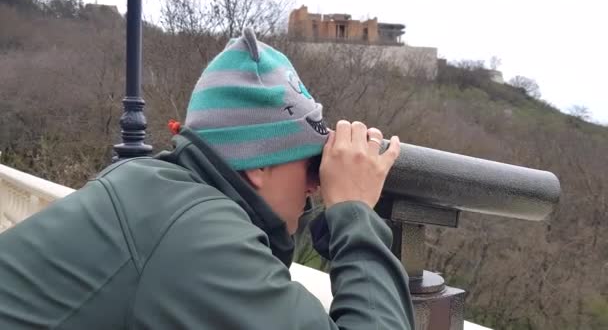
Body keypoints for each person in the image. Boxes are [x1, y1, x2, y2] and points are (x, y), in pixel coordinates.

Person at [0, 28, 414, 329]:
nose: (315, 185)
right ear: (257, 164)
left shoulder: (156, 188)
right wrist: (354, 211)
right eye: (311, 164)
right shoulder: (195, 235)